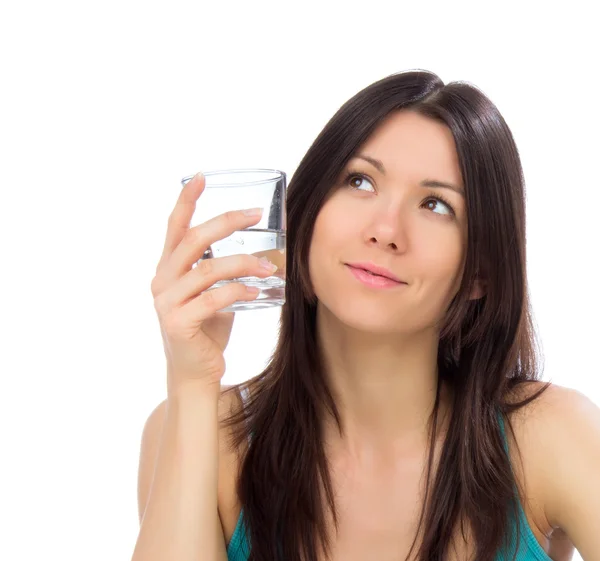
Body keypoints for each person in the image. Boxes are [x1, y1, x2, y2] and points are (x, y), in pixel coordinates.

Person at [131, 70, 600, 561]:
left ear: (481, 270)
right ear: (305, 215)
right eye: (360, 180)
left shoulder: (552, 437)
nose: (385, 230)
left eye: (436, 204)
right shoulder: (197, 432)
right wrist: (190, 382)